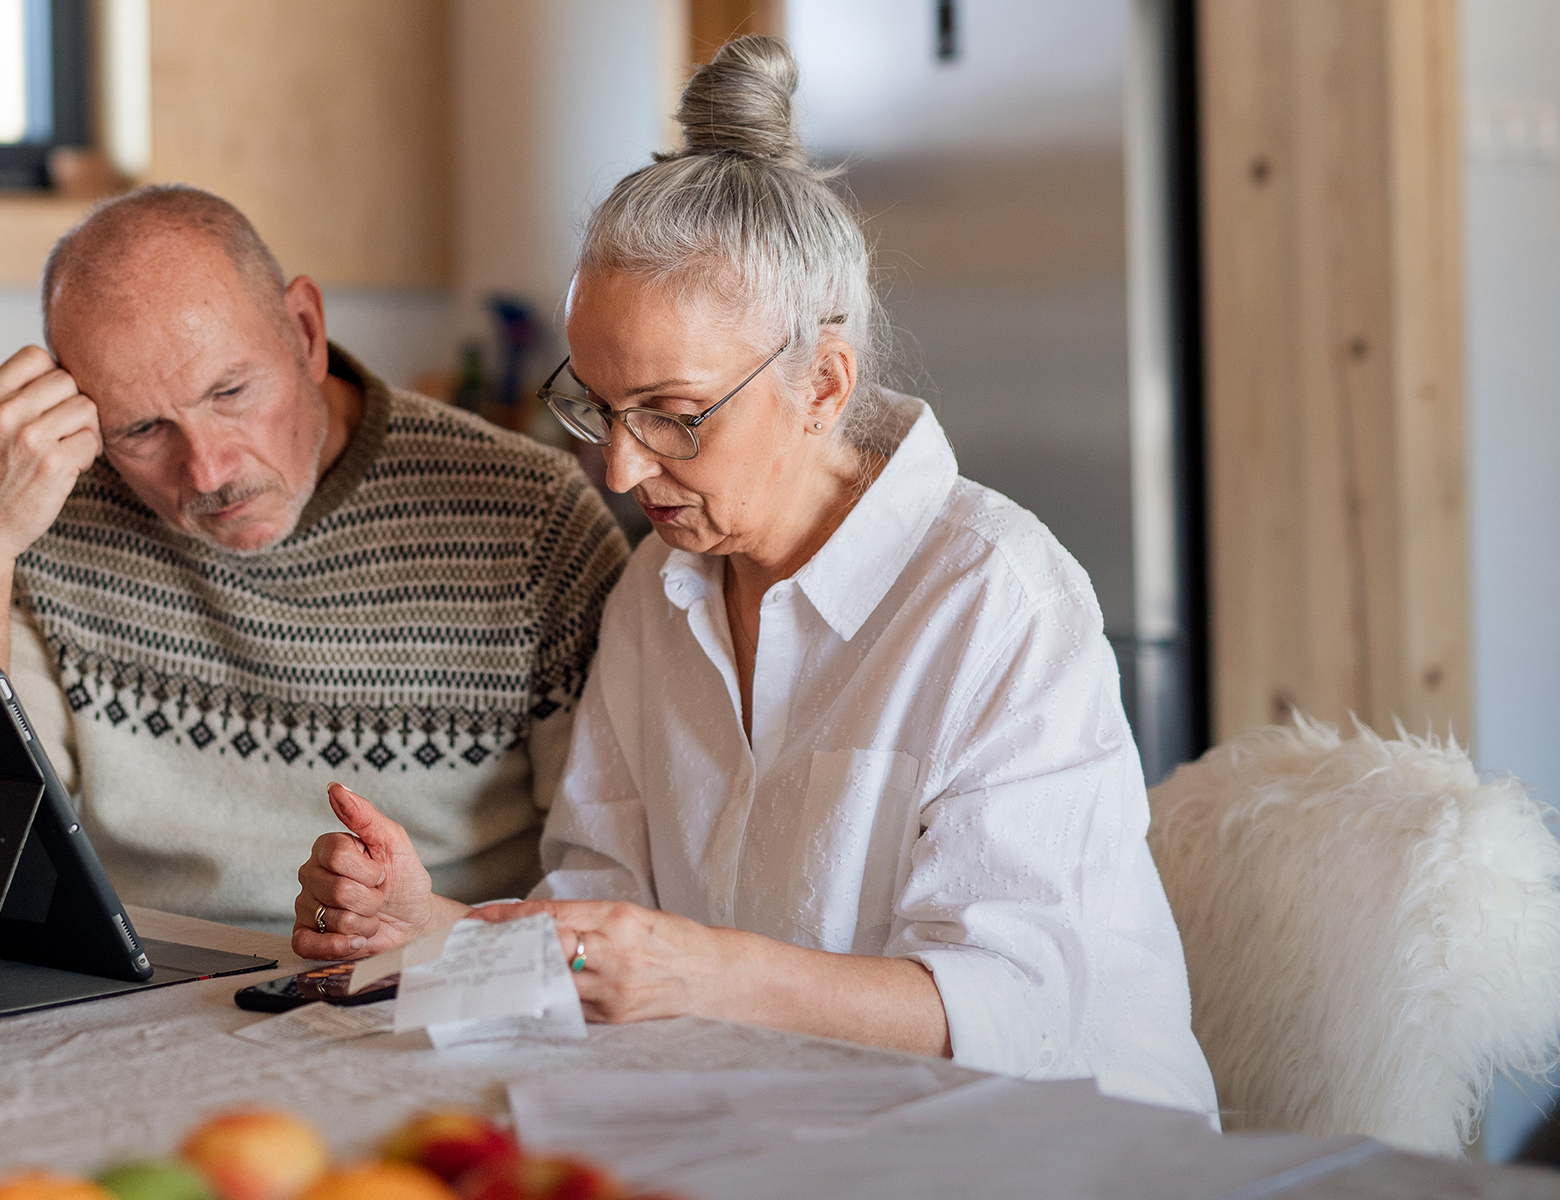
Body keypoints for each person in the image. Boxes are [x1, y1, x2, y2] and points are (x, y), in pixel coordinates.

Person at [290, 37, 1217, 1114]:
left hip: (1062, 1152)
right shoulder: (658, 591)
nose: (625, 469)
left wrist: (706, 973)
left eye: (676, 417)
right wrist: (431, 929)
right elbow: (603, 930)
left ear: (823, 383)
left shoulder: (996, 600)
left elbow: (1018, 1008)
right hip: (785, 1126)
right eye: (596, 406)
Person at [0, 184, 629, 930]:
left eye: (231, 391)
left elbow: (614, 885)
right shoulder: (49, 511)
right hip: (146, 993)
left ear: (306, 332)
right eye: (143, 429)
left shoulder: (532, 515)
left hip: (434, 989)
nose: (209, 472)